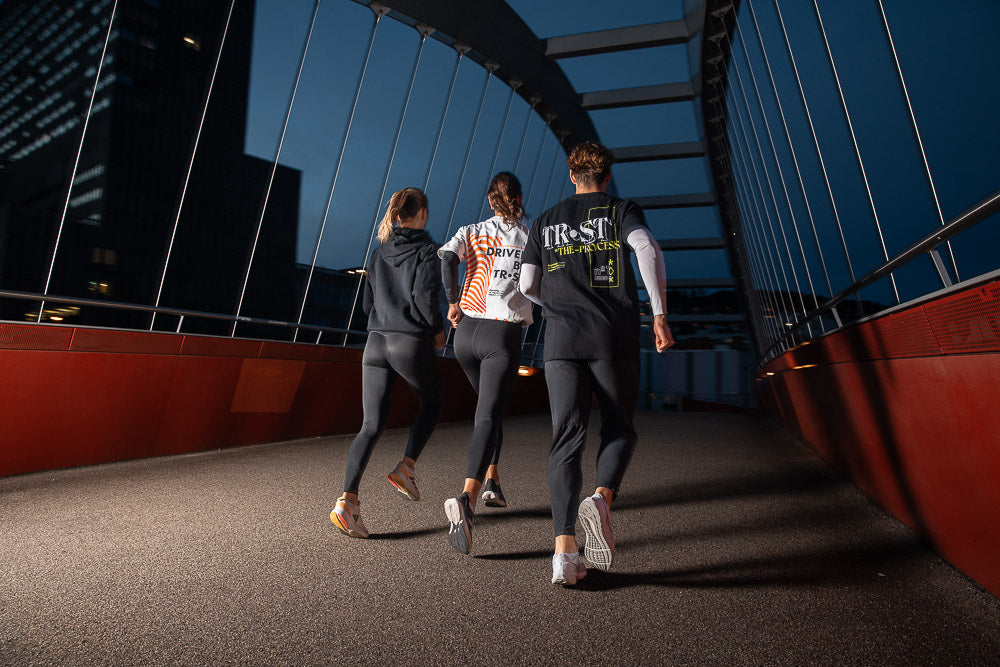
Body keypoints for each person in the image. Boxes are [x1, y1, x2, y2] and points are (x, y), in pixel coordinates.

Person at [519, 141, 674, 585]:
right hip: (612, 336)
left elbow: (527, 282)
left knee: (565, 438)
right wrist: (659, 313)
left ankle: (563, 554)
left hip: (561, 341)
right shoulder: (621, 209)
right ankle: (602, 499)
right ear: (606, 177)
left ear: (572, 176)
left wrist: (555, 302)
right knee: (620, 428)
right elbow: (645, 249)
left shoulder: (546, 220)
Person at [331, 187, 446, 539]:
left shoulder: (379, 253)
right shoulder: (428, 252)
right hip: (407, 341)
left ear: (397, 216)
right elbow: (426, 299)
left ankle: (347, 503)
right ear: (423, 214)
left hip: (375, 343)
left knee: (370, 425)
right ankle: (406, 467)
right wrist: (437, 331)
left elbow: (367, 305)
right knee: (432, 402)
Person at [438, 172, 533, 555]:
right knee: (488, 417)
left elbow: (445, 259)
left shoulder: (471, 230)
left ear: (490, 200)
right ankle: (467, 499)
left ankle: (493, 480)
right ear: (519, 197)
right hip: (501, 334)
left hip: (466, 334)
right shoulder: (531, 234)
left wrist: (452, 300)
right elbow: (537, 284)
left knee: (489, 410)